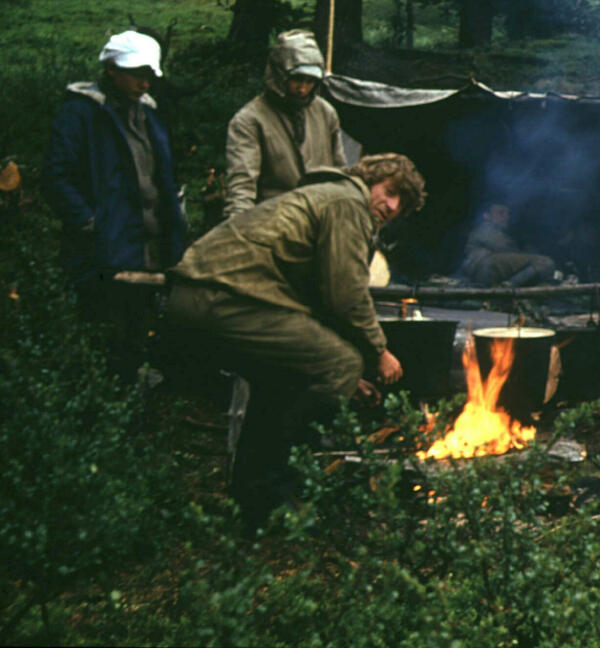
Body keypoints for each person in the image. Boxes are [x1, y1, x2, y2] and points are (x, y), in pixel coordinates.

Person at [166, 153, 425, 527]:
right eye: (389, 192)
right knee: (340, 364)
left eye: (401, 204)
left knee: (286, 378)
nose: (391, 206)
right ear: (370, 179)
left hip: (205, 294)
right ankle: (283, 489)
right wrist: (378, 352)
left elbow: (317, 299)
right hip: (221, 296)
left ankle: (252, 502)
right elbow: (346, 294)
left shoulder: (328, 196)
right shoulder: (347, 204)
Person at [42, 29, 187, 379]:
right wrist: (90, 223)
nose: (144, 83)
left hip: (148, 240)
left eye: (149, 75)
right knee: (102, 318)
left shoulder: (149, 114)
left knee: (140, 313)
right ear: (111, 70)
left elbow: (160, 174)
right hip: (105, 242)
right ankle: (98, 395)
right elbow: (55, 177)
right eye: (137, 74)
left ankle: (131, 384)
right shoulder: (81, 114)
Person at [222, 29, 347, 218]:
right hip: (274, 220)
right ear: (279, 75)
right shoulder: (249, 120)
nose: (303, 89)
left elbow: (340, 173)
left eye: (310, 81)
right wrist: (240, 230)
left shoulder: (325, 113)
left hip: (321, 218)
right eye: (296, 80)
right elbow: (242, 186)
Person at [459, 203, 556, 287]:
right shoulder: (486, 228)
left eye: (508, 213)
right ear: (486, 216)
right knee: (544, 262)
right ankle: (507, 287)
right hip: (485, 265)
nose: (506, 217)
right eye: (501, 213)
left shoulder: (493, 231)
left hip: (483, 269)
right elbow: (506, 248)